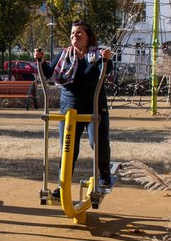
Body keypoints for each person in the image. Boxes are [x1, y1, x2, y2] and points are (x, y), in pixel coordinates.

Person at [33, 21, 115, 193]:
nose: (74, 36)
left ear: (88, 36)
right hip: (70, 105)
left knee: (96, 142)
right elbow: (49, 72)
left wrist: (107, 58)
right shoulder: (65, 54)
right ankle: (63, 184)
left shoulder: (97, 54)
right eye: (72, 33)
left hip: (94, 105)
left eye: (79, 33)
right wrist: (40, 60)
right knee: (68, 146)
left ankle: (105, 175)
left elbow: (106, 70)